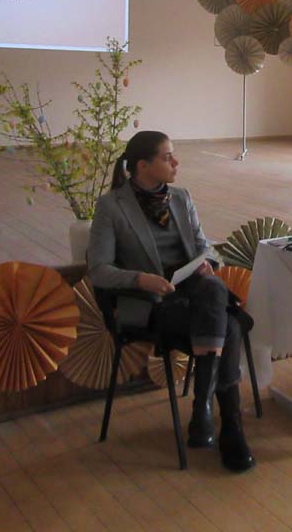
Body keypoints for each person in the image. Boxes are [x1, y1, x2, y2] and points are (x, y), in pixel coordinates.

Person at [87, 130, 256, 472]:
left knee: (213, 288)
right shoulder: (111, 206)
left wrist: (207, 264)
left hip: (193, 295)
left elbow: (205, 246)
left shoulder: (181, 197)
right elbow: (99, 271)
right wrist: (141, 279)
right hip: (152, 303)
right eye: (167, 158)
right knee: (230, 326)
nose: (176, 163)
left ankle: (205, 409)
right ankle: (229, 427)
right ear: (142, 166)